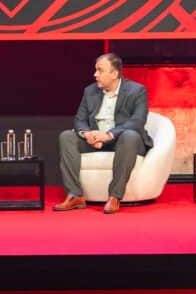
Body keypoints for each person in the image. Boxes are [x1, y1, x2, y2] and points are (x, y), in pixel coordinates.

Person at [55, 53, 151, 215]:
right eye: (95, 70)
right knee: (67, 136)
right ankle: (75, 195)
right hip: (95, 139)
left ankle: (115, 196)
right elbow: (79, 119)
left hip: (122, 140)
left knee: (130, 135)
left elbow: (137, 121)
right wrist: (87, 134)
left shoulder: (137, 91)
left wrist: (108, 135)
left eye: (100, 70)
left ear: (114, 74)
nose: (95, 74)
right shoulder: (90, 91)